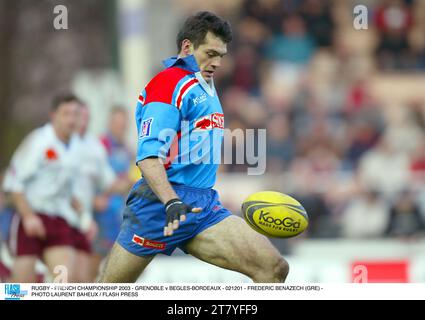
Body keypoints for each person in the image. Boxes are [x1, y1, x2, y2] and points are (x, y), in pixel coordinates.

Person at [99, 11, 289, 283]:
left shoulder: (204, 84)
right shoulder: (167, 85)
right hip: (158, 206)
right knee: (107, 290)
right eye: (210, 53)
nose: (217, 62)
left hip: (202, 207)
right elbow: (148, 158)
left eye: (221, 55)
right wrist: (171, 201)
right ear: (187, 47)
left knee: (274, 268)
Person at [2, 94, 84, 282]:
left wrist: (76, 204)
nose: (72, 119)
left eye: (75, 114)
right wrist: (29, 216)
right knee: (21, 287)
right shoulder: (38, 141)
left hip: (58, 219)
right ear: (54, 115)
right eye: (66, 114)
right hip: (29, 220)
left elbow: (61, 184)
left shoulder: (77, 147)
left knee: (64, 280)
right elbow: (14, 182)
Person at [72, 103, 118, 282]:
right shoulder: (57, 142)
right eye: (79, 117)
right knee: (65, 275)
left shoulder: (94, 146)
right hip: (60, 216)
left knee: (83, 278)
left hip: (85, 220)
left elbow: (108, 180)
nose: (83, 122)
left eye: (86, 118)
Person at [92, 107, 133, 279]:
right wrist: (94, 198)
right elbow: (92, 176)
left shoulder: (127, 149)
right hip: (102, 214)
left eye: (124, 124)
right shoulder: (100, 145)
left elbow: (130, 177)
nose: (121, 127)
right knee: (95, 261)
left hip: (119, 213)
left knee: (116, 264)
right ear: (110, 123)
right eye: (117, 123)